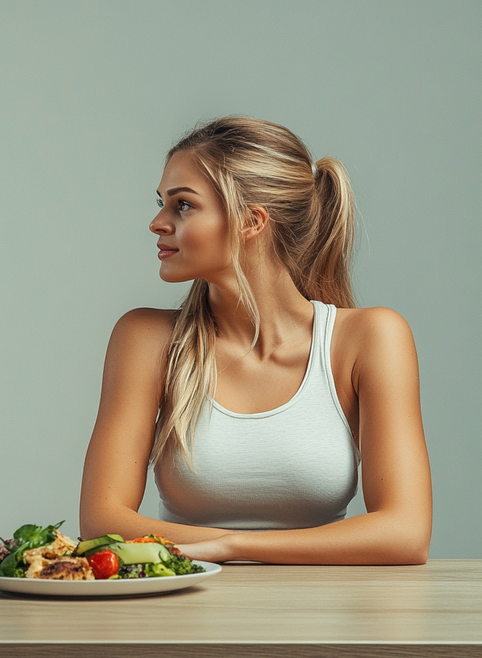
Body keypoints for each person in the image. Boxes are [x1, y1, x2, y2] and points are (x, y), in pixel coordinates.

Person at [78, 117, 431, 564]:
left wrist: (231, 546)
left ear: (251, 221)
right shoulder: (146, 339)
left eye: (182, 205)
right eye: (161, 203)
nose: (157, 222)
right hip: (185, 613)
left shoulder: (370, 338)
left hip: (324, 624)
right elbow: (102, 520)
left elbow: (406, 532)